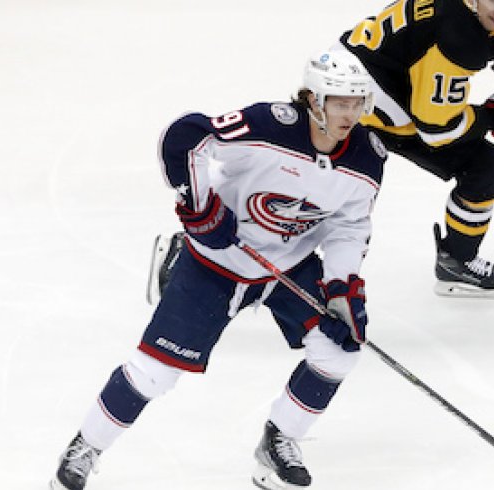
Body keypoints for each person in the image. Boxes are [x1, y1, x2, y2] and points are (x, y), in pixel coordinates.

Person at [50, 49, 386, 490]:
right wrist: (200, 206)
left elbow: (349, 225)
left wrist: (342, 289)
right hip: (216, 264)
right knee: (155, 372)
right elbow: (186, 137)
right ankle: (86, 446)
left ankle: (279, 440)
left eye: (357, 102)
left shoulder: (367, 157)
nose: (351, 113)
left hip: (287, 266)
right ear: (312, 99)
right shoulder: (270, 126)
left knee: (340, 350)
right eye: (340, 102)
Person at [338, 0, 494, 298]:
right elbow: (437, 130)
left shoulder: (463, 9)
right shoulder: (457, 37)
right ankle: (457, 261)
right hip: (361, 109)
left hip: (346, 78)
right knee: (487, 168)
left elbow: (489, 26)